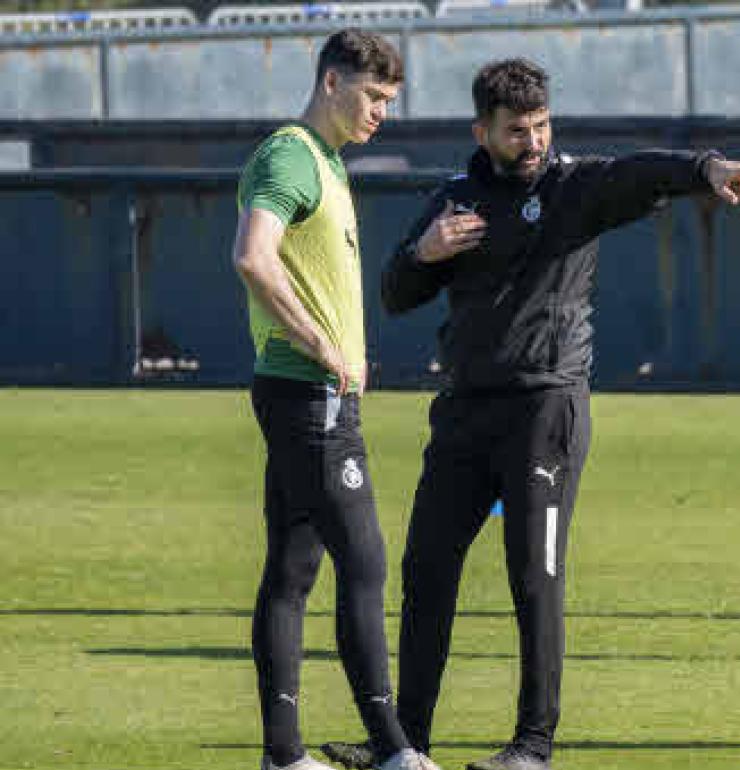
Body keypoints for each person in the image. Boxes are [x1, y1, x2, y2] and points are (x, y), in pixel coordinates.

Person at [322, 58, 740, 770]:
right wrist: (424, 253)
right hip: (464, 412)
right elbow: (397, 294)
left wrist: (706, 168)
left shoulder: (569, 187)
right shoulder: (455, 197)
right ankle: (404, 743)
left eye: (541, 127)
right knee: (425, 568)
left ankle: (533, 744)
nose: (533, 142)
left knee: (534, 573)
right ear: (483, 131)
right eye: (517, 131)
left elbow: (641, 172)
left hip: (545, 408)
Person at [232, 29, 437, 770]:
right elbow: (252, 256)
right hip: (306, 392)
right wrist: (322, 345)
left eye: (388, 100)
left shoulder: (328, 163)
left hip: (311, 395)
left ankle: (284, 756)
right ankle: (393, 751)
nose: (381, 112)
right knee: (366, 560)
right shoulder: (291, 153)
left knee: (292, 570)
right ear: (329, 82)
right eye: (372, 96)